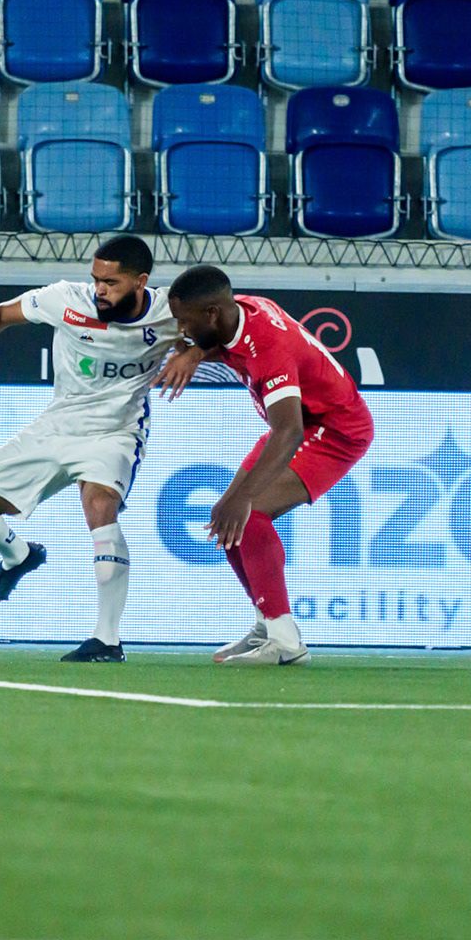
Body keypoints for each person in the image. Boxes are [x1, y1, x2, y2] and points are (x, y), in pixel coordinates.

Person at [0, 236, 181, 663]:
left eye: (111, 283)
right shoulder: (66, 300)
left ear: (141, 282)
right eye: (96, 279)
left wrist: (190, 350)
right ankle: (18, 554)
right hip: (56, 426)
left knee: (99, 506)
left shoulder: (170, 310)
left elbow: (219, 317)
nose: (99, 289)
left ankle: (107, 639)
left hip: (116, 432)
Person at [160, 266, 373, 666]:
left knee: (249, 512)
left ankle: (286, 641)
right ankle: (265, 625)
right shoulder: (239, 310)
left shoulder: (269, 348)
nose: (180, 329)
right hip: (302, 423)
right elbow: (220, 339)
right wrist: (193, 351)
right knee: (225, 516)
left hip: (334, 429)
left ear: (210, 314)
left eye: (185, 322)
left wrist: (244, 497)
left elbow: (288, 433)